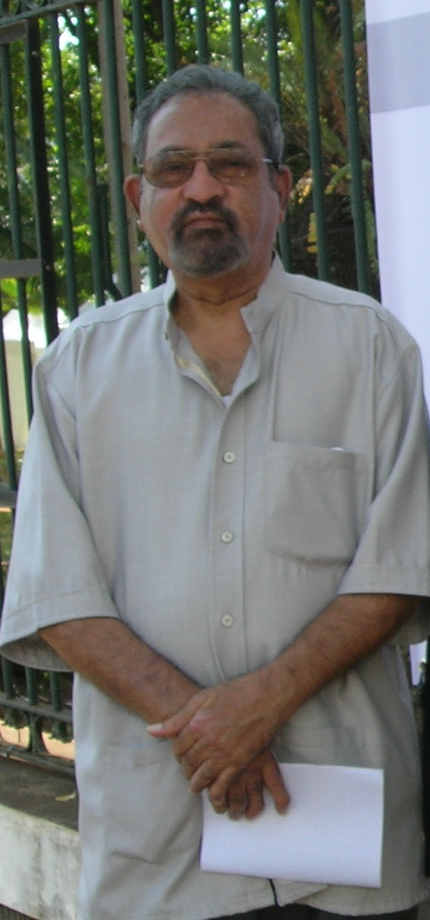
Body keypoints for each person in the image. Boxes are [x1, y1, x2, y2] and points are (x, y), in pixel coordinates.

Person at [1, 64, 430, 920]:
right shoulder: (80, 367)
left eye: (230, 164)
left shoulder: (370, 348)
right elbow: (59, 596)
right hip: (158, 848)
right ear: (139, 197)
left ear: (279, 187)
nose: (200, 189)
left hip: (342, 841)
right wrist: (213, 728)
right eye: (173, 168)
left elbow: (400, 567)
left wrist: (257, 707)